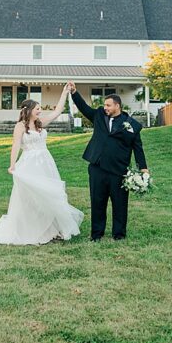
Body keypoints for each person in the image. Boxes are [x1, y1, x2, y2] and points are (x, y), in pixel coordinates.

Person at [0, 83, 84, 245]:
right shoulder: (20, 126)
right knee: (32, 197)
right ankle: (32, 228)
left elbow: (57, 111)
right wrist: (12, 164)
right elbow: (15, 145)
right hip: (30, 163)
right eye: (37, 108)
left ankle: (53, 228)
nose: (40, 111)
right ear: (28, 110)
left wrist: (65, 92)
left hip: (45, 162)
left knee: (49, 194)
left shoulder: (40, 123)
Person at [68, 81, 149, 241]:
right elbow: (84, 108)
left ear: (117, 106)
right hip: (97, 167)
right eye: (105, 105)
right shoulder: (98, 115)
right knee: (97, 201)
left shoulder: (132, 125)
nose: (105, 107)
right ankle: (96, 234)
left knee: (119, 204)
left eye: (108, 105)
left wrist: (143, 168)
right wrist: (74, 92)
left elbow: (137, 148)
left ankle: (119, 234)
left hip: (119, 170)